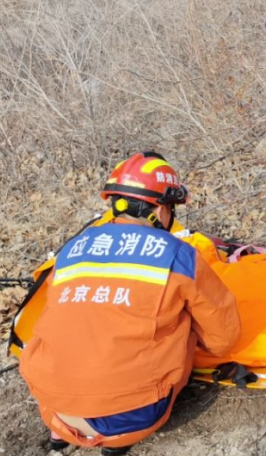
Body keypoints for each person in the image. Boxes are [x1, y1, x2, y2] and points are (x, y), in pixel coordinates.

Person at [19, 152, 240, 455]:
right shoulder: (178, 254)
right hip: (130, 418)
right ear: (161, 209)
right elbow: (223, 336)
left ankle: (61, 435)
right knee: (186, 324)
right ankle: (116, 442)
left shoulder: (72, 249)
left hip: (52, 406)